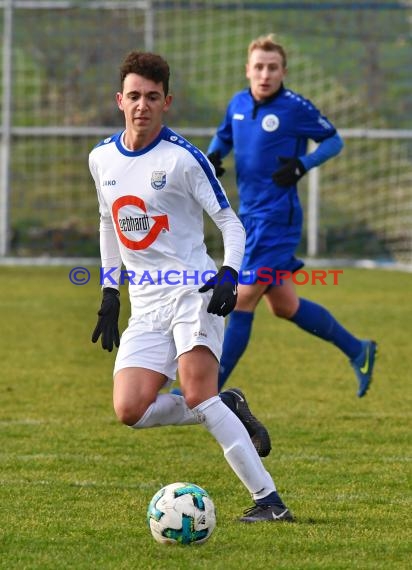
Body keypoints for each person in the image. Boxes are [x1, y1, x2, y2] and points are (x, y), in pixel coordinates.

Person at [89, 50, 291, 523]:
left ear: (167, 102)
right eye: (134, 96)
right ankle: (230, 403)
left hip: (193, 293)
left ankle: (270, 502)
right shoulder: (101, 159)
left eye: (152, 97)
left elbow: (231, 224)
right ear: (120, 100)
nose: (142, 105)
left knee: (199, 394)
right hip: (146, 302)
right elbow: (107, 224)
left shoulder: (184, 159)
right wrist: (109, 292)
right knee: (130, 409)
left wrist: (228, 272)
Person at [206, 34, 377, 398]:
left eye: (272, 68)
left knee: (242, 298)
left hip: (277, 219)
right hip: (249, 217)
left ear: (283, 71)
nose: (265, 74)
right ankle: (358, 350)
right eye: (259, 67)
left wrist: (302, 165)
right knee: (285, 306)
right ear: (247, 70)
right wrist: (212, 158)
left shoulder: (295, 107)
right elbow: (223, 138)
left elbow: (333, 140)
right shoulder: (237, 103)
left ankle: (206, 390)